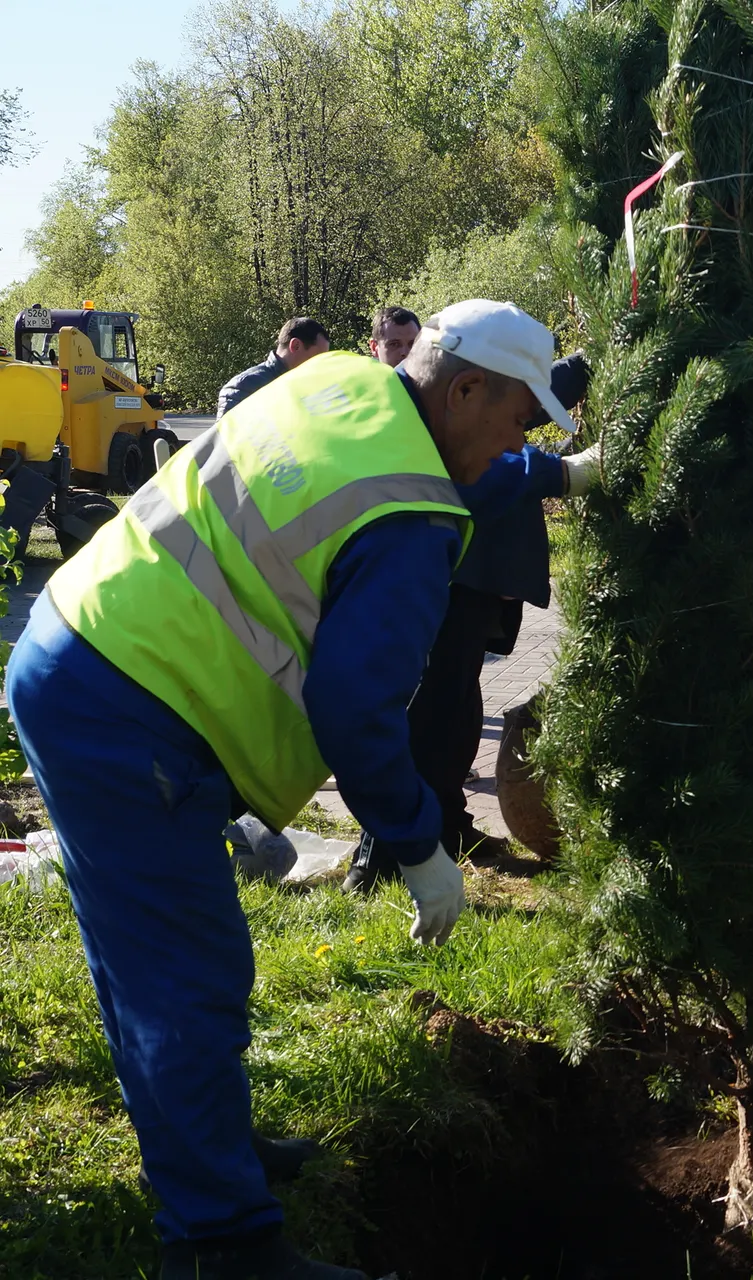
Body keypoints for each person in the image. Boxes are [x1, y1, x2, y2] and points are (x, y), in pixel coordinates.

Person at [7, 299, 572, 1280]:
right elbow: (360, 711)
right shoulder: (412, 521)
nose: (516, 440)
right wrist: (420, 844)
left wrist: (557, 470)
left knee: (150, 960)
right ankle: (223, 1243)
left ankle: (205, 1144)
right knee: (187, 973)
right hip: (134, 710)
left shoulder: (347, 384)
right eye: (522, 420)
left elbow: (443, 465)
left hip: (81, 641)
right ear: (470, 387)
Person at [343, 351, 599, 887]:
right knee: (427, 709)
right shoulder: (434, 422)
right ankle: (381, 857)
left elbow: (528, 406)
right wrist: (564, 467)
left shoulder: (465, 400)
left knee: (457, 706)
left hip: (474, 578)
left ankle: (449, 826)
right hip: (452, 576)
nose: (513, 436)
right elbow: (497, 460)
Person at [215, 316, 331, 419]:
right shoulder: (244, 387)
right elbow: (224, 440)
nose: (320, 364)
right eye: (317, 356)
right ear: (295, 346)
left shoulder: (312, 388)